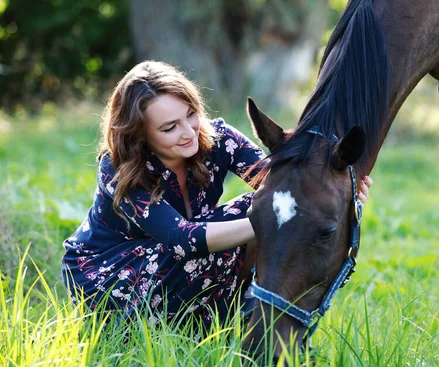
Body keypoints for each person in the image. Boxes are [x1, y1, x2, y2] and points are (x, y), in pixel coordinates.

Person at [61, 60, 373, 332]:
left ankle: (254, 324)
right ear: (139, 133)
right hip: (108, 270)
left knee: (266, 206)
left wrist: (336, 195)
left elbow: (288, 191)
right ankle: (213, 321)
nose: (188, 132)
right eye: (170, 128)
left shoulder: (218, 139)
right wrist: (272, 224)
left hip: (177, 263)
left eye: (191, 114)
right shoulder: (119, 168)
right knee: (255, 215)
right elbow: (179, 238)